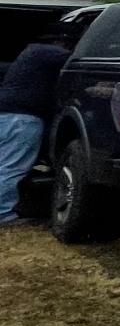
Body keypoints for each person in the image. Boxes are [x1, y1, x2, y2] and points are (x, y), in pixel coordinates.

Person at [0, 28, 75, 226]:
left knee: (4, 164)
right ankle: (3, 215)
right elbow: (79, 60)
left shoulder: (32, 53)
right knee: (12, 167)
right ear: (61, 41)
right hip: (22, 118)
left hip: (7, 114)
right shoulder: (47, 52)